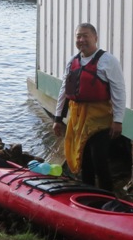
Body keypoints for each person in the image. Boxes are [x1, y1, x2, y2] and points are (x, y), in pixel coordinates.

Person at [52, 23, 126, 191]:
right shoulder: (73, 61)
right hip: (78, 118)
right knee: (83, 161)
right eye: (78, 36)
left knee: (99, 160)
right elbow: (65, 90)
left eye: (86, 36)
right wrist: (58, 118)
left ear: (95, 38)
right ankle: (88, 196)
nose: (82, 40)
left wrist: (118, 120)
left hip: (99, 119)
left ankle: (107, 198)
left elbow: (119, 92)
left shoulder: (108, 61)